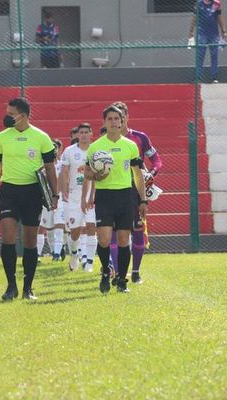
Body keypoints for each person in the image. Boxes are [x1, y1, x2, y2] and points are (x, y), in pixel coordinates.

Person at [0, 97, 58, 301]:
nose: (6, 117)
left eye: (10, 114)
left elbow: (50, 168)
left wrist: (55, 195)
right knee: (8, 237)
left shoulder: (41, 137)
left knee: (29, 241)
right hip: (9, 191)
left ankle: (28, 288)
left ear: (23, 116)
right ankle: (11, 286)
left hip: (33, 192)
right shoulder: (1, 137)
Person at [82, 105, 147, 294]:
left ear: (122, 121)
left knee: (123, 239)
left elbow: (137, 174)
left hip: (125, 196)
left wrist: (142, 200)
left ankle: (121, 279)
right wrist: (96, 176)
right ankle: (105, 272)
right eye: (109, 119)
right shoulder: (96, 146)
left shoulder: (130, 146)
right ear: (104, 122)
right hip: (104, 196)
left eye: (116, 119)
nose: (113, 122)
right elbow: (86, 172)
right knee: (103, 239)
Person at [109, 101, 163, 284]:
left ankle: (136, 272)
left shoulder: (140, 138)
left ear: (126, 117)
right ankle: (118, 274)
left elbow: (157, 160)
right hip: (113, 190)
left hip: (135, 191)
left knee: (138, 232)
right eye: (115, 117)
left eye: (121, 116)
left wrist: (152, 174)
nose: (118, 121)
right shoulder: (105, 140)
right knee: (115, 233)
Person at [59, 123, 97, 273]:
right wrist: (63, 190)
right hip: (74, 194)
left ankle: (89, 263)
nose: (83, 135)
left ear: (91, 134)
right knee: (75, 231)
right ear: (77, 135)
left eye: (86, 132)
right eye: (81, 132)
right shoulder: (69, 151)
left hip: (91, 194)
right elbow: (64, 171)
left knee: (91, 227)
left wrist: (94, 194)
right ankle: (74, 254)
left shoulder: (96, 150)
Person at [188, 0, 227, 83]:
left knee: (214, 55)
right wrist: (191, 32)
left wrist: (223, 30)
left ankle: (214, 77)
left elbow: (219, 17)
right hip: (202, 34)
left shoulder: (216, 3)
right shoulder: (199, 4)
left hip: (214, 34)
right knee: (200, 56)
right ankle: (198, 78)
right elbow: (194, 18)